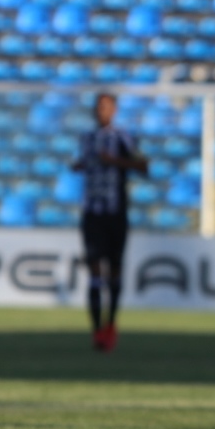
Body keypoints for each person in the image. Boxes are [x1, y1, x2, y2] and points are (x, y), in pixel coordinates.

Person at [71, 93, 148, 351]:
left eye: (106, 106)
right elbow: (84, 163)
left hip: (116, 214)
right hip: (92, 214)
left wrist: (114, 162)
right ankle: (97, 332)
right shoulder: (87, 138)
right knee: (94, 270)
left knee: (114, 270)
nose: (101, 111)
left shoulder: (122, 137)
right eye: (98, 106)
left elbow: (143, 165)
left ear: (114, 110)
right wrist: (81, 165)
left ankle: (111, 325)